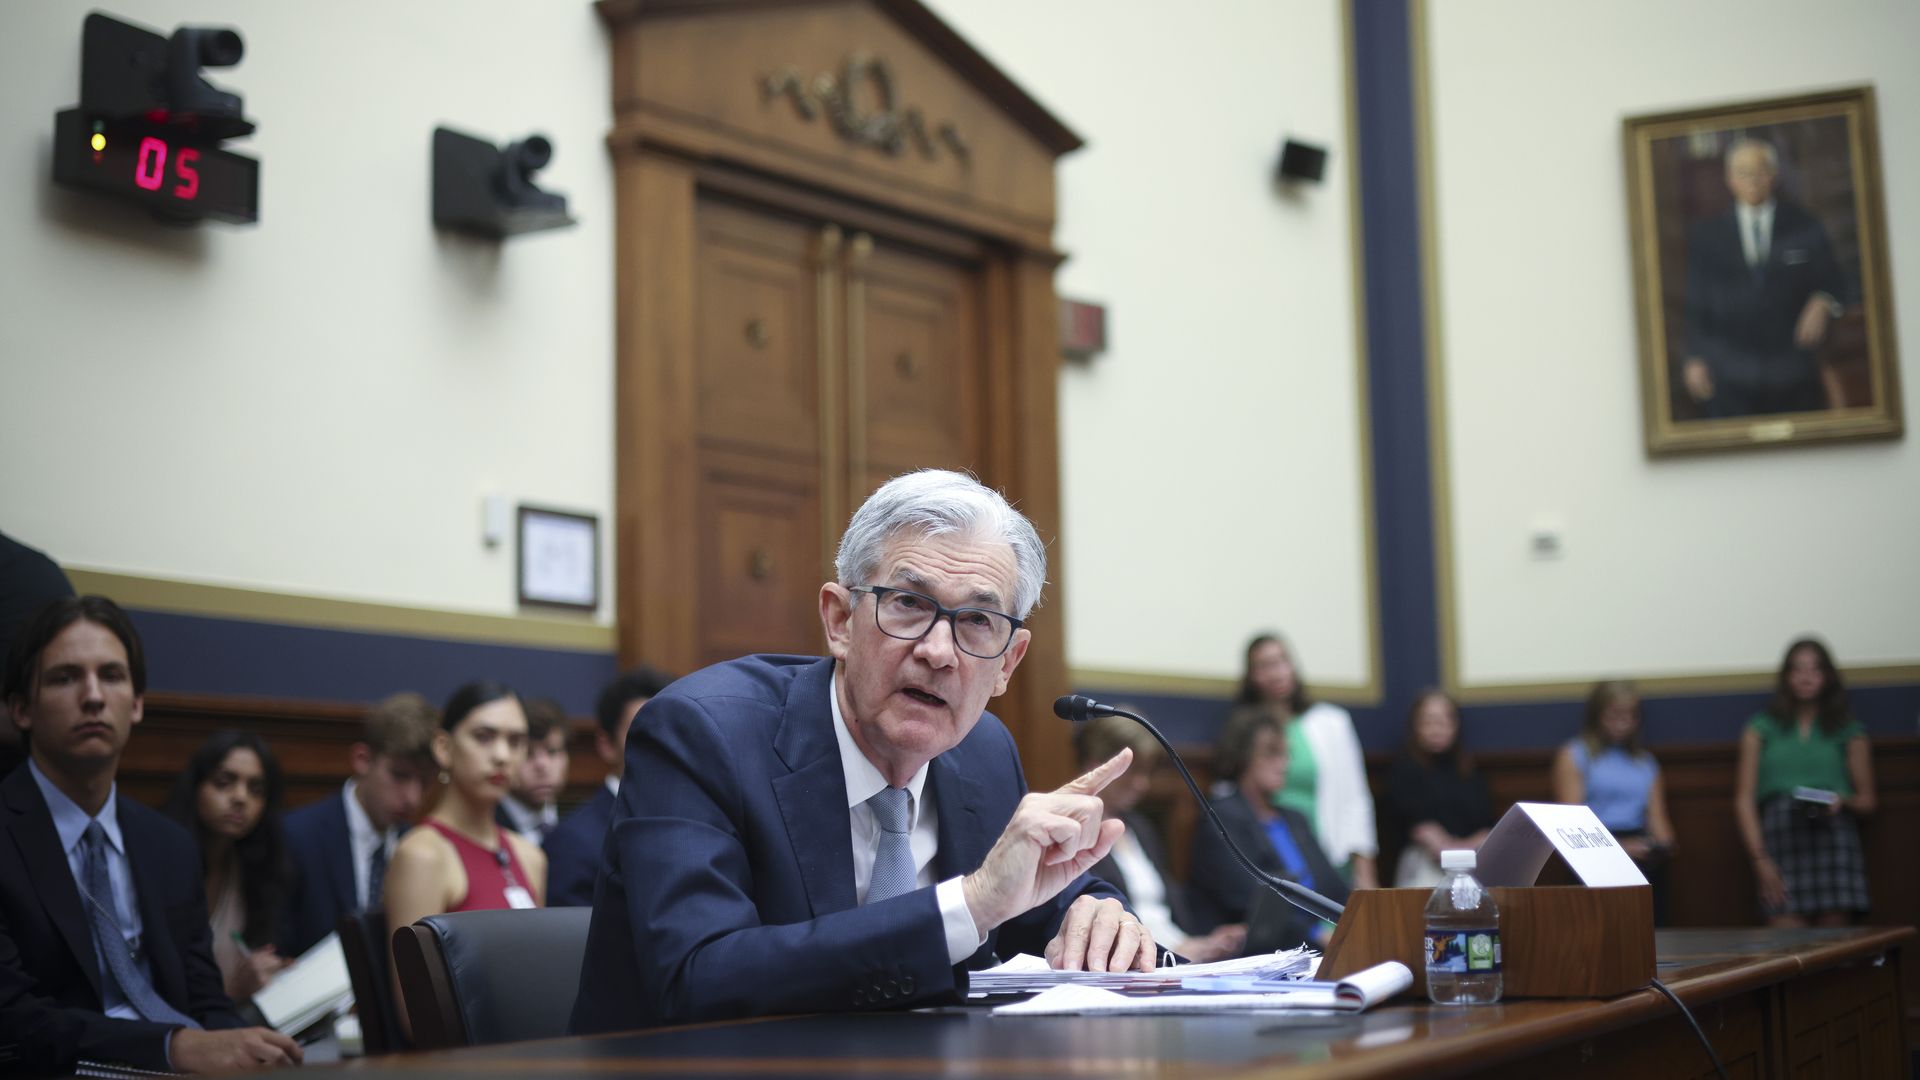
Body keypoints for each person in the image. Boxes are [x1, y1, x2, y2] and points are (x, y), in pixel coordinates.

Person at [571, 469, 1148, 1033]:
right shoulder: (701, 734)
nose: (939, 651)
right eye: (909, 603)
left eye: (977, 620)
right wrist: (968, 904)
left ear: (1008, 663)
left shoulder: (983, 752)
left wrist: (1096, 911)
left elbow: (1033, 900)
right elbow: (697, 978)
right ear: (840, 620)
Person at [0, 596, 301, 1074]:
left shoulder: (170, 845)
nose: (93, 696)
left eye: (112, 676)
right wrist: (173, 1047)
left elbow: (206, 1002)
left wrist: (250, 1051)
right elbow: (14, 1021)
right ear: (21, 709)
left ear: (137, 704)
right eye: (65, 677)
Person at [385, 680, 545, 1037]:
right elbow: (417, 1016)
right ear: (444, 748)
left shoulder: (531, 856)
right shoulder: (422, 855)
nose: (502, 755)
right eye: (484, 737)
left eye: (516, 741)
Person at [1682, 137, 1848, 419]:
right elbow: (1696, 304)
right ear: (1729, 179)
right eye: (1743, 173)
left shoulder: (1804, 225)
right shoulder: (1707, 237)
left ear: (1775, 174)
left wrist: (1822, 300)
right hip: (1730, 376)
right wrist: (1694, 359)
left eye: (1760, 171)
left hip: (1793, 371)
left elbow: (1837, 281)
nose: (1752, 180)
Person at [278, 691, 437, 957]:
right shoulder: (296, 836)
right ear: (362, 759)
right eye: (400, 776)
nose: (413, 798)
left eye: (425, 782)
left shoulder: (419, 847)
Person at [1076, 715, 1245, 963]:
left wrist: (1204, 942)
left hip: (1176, 954)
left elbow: (1166, 912)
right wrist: (1175, 951)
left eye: (1146, 772)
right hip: (1135, 963)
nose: (1142, 784)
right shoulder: (1074, 832)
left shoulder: (1141, 829)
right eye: (1132, 772)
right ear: (1096, 765)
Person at [1734, 639, 1875, 927]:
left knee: (1835, 946)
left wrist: (1842, 801)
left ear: (1828, 676)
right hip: (1780, 840)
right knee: (1785, 940)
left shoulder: (1849, 730)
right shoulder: (1760, 728)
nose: (1806, 677)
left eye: (1815, 669)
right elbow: (1744, 800)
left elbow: (1868, 801)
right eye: (1798, 669)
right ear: (1786, 676)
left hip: (1832, 839)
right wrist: (1760, 860)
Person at [1187, 706, 1348, 951]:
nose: (1283, 764)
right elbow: (1252, 903)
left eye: (1285, 754)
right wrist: (1318, 936)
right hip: (1256, 953)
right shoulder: (1221, 817)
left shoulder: (1295, 820)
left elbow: (1335, 889)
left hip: (1315, 950)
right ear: (1243, 756)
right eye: (1271, 754)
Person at [1233, 633, 1378, 889]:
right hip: (1276, 859)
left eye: (1281, 661)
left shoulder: (1331, 723)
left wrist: (1365, 873)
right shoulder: (1245, 729)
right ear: (1252, 676)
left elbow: (1355, 800)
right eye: (1264, 666)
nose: (1276, 673)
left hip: (1331, 854)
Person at [161, 732, 294, 1005]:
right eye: (224, 782)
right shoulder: (161, 860)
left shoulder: (255, 869)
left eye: (256, 790)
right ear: (196, 786)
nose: (240, 798)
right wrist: (232, 991)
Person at [544, 665, 675, 908]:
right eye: (643, 733)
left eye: (669, 731)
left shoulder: (694, 821)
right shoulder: (572, 842)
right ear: (606, 745)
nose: (661, 744)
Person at [1552, 680, 1676, 924]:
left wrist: (1662, 846)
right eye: (1615, 715)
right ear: (1596, 715)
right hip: (1593, 851)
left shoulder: (1645, 762)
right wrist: (1620, 848)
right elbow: (1570, 826)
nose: (1623, 723)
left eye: (1631, 716)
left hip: (1641, 854)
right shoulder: (1574, 755)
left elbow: (1659, 821)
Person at [1382, 690, 1494, 889]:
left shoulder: (1469, 771)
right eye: (1428, 721)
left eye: (1443, 721)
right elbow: (1418, 829)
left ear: (1455, 725)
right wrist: (1447, 848)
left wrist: (1464, 848)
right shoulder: (1403, 771)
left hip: (1472, 861)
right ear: (1415, 726)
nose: (1436, 729)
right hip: (1425, 863)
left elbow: (1486, 826)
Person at [496, 696, 568, 844]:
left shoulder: (578, 822)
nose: (542, 765)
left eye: (552, 751)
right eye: (528, 754)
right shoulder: (484, 827)